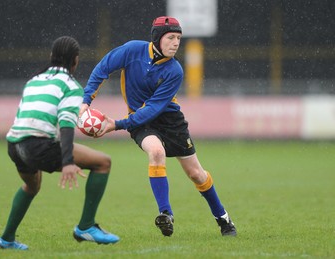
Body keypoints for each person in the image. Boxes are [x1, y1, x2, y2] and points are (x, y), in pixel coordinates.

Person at [80, 16, 237, 237]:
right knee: (155, 152)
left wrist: (117, 124)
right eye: (171, 37)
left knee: (196, 174)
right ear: (157, 38)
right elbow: (102, 69)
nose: (176, 43)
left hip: (170, 121)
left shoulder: (175, 71)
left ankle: (223, 219)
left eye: (179, 38)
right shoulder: (132, 50)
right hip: (141, 121)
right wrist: (86, 100)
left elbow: (153, 108)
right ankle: (166, 214)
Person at [0, 36, 120, 250]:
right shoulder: (70, 85)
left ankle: (6, 239)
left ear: (52, 57)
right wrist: (68, 161)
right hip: (38, 145)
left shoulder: (34, 80)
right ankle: (86, 227)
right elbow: (66, 124)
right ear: (76, 61)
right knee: (103, 162)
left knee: (31, 186)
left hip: (14, 144)